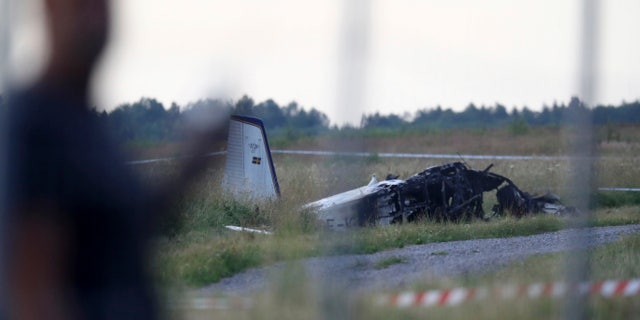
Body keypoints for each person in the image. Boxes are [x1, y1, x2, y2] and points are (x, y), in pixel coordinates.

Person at [2, 1, 223, 318]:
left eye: (101, 7)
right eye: (82, 8)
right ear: (50, 10)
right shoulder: (35, 123)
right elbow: (33, 290)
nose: (96, 21)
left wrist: (192, 165)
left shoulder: (86, 123)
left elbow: (123, 232)